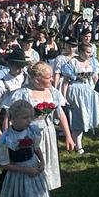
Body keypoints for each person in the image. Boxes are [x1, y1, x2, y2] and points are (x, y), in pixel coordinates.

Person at [24, 61, 75, 189]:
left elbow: (60, 114)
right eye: (48, 77)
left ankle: (46, 187)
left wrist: (68, 136)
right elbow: (11, 116)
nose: (52, 79)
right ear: (37, 79)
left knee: (48, 160)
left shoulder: (53, 92)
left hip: (48, 131)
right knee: (33, 161)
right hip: (30, 134)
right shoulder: (25, 94)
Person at [61, 43, 99, 154]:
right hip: (76, 91)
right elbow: (65, 81)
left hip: (89, 90)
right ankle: (78, 145)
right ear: (81, 52)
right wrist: (64, 97)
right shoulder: (72, 62)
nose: (90, 54)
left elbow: (95, 77)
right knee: (78, 117)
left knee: (87, 116)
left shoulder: (93, 62)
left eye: (91, 52)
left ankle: (77, 141)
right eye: (87, 52)